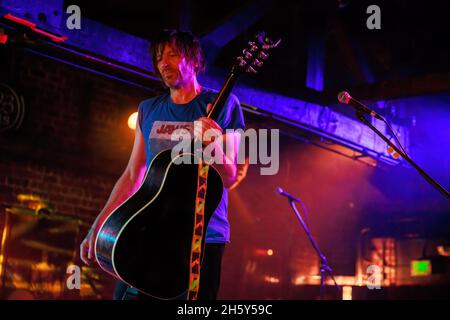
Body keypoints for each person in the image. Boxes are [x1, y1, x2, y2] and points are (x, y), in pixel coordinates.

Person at [80, 29, 245, 300]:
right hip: (150, 229)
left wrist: (212, 142)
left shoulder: (222, 104)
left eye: (172, 55)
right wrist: (98, 225)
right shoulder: (148, 109)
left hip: (201, 237)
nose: (163, 64)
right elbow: (133, 174)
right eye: (159, 58)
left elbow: (229, 175)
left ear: (193, 61)